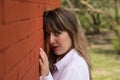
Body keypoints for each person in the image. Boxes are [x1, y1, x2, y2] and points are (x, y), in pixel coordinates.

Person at [39, 7, 92, 80]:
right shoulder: (64, 61)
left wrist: (45, 76)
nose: (51, 41)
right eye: (48, 34)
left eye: (57, 33)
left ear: (72, 33)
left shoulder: (73, 69)